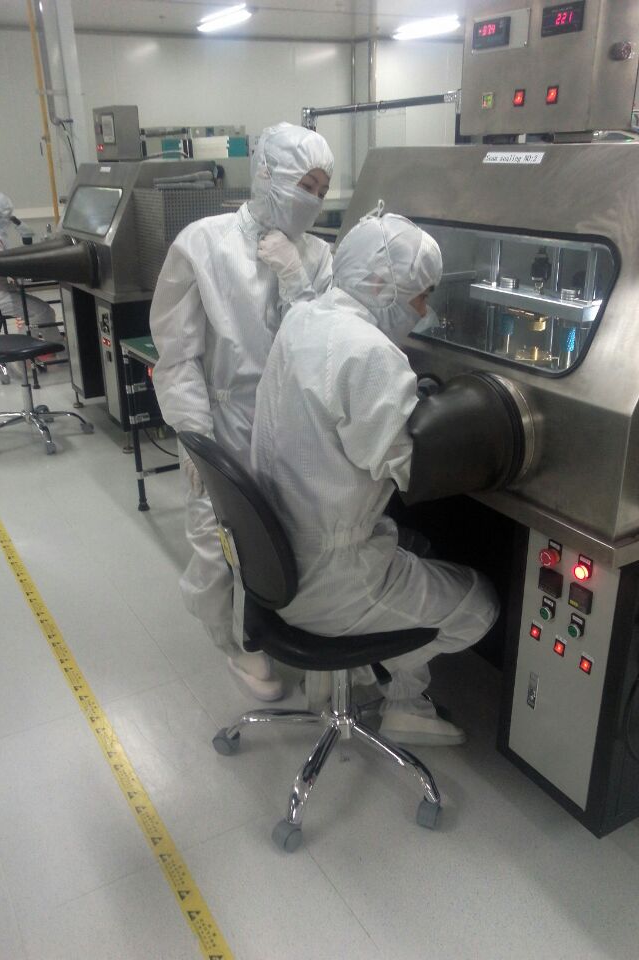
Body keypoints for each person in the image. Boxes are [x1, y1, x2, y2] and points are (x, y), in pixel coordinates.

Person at [250, 212, 499, 746]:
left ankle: (353, 680)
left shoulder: (304, 318)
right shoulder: (370, 352)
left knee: (413, 545)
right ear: (384, 285)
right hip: (331, 579)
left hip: (273, 562)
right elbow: (409, 468)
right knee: (479, 603)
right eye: (420, 296)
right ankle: (402, 701)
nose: (424, 310)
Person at [150, 121, 335, 701]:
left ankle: (288, 628)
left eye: (322, 189)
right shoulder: (203, 243)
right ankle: (234, 643)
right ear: (269, 175)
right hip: (224, 424)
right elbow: (177, 354)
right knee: (218, 544)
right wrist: (194, 438)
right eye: (305, 184)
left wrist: (297, 279)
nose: (313, 199)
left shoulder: (317, 256)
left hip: (295, 427)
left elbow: (328, 343)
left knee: (290, 538)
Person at [0, 192, 56, 338]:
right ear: (1, 214)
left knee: (37, 310)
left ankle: (47, 343)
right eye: (8, 215)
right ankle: (31, 346)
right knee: (43, 312)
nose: (9, 219)